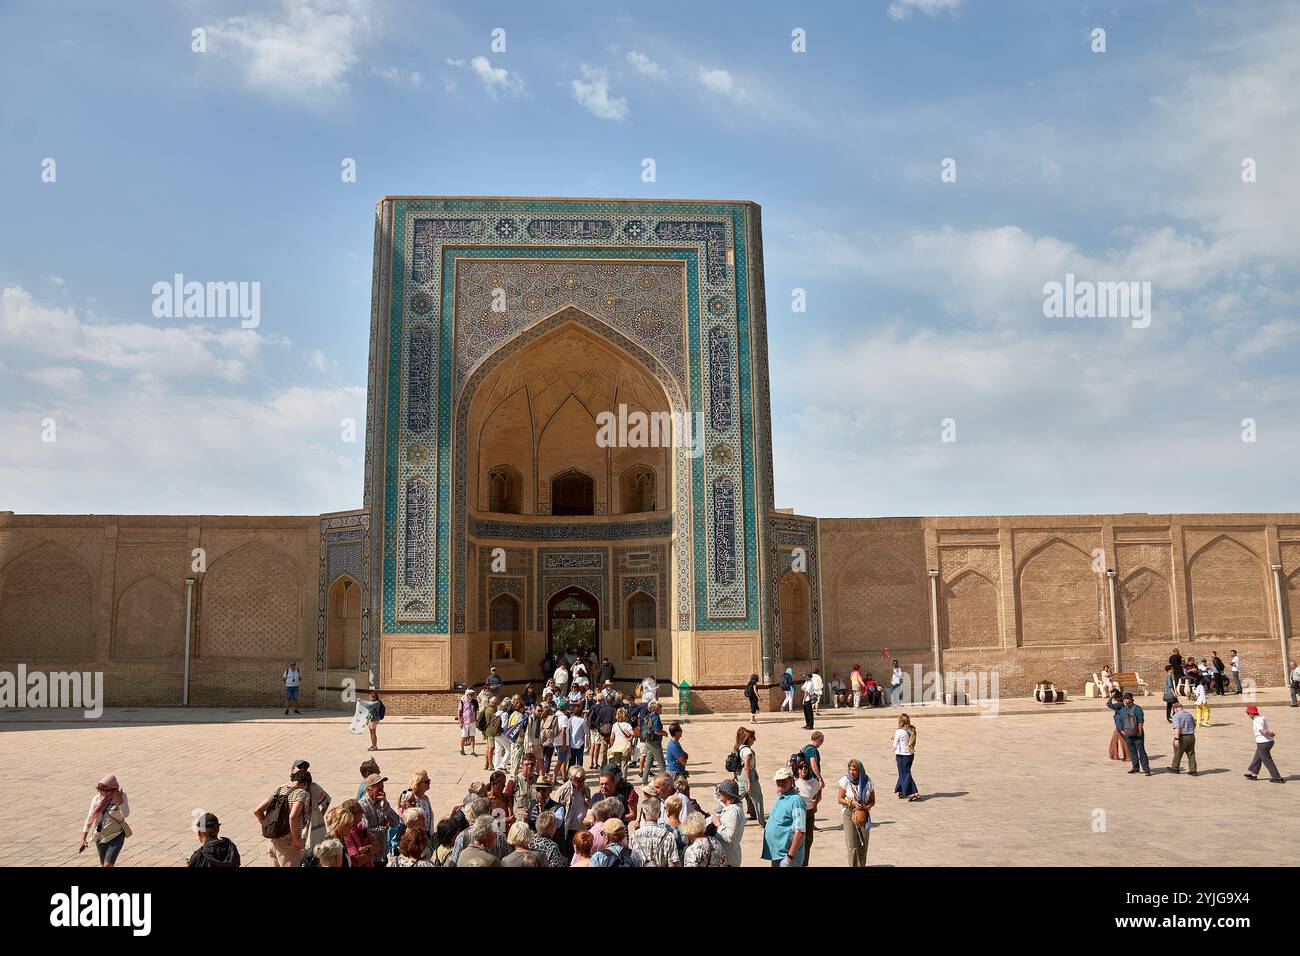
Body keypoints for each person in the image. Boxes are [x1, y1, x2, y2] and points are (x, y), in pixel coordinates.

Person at [254, 766, 309, 867]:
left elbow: (257, 810)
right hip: (288, 845)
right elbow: (293, 816)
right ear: (305, 784)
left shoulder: (280, 790)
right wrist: (296, 840)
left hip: (274, 842)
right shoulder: (301, 792)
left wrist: (269, 827)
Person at [81, 774, 130, 868]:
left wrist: (120, 801)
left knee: (107, 865)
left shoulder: (122, 796)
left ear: (114, 788)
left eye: (106, 790)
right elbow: (90, 818)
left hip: (116, 835)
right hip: (100, 836)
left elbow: (126, 814)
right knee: (104, 865)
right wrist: (83, 838)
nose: (103, 792)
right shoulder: (97, 799)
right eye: (100, 790)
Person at [761, 766, 806, 867]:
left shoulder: (796, 801)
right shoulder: (781, 796)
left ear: (791, 780)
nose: (780, 783)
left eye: (784, 780)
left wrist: (790, 857)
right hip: (777, 855)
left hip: (787, 857)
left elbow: (800, 831)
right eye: (778, 781)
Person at [356, 772, 401, 866]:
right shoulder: (362, 806)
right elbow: (366, 832)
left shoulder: (381, 802)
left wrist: (386, 808)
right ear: (369, 789)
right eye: (379, 788)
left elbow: (396, 822)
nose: (382, 791)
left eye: (383, 788)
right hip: (371, 858)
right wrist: (384, 828)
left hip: (383, 855)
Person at [838, 758, 874, 867]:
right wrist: (851, 802)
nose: (851, 772)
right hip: (849, 813)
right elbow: (840, 799)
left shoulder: (867, 782)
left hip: (863, 814)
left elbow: (872, 801)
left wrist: (866, 807)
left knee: (862, 844)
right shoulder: (845, 781)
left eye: (854, 770)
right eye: (850, 769)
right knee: (852, 845)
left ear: (860, 771)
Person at [546, 766, 590, 856]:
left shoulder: (585, 789)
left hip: (581, 828)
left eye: (583, 780)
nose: (581, 783)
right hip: (567, 829)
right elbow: (555, 809)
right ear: (571, 779)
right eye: (578, 781)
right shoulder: (563, 790)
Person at [291, 758, 332, 853]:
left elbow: (327, 801)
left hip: (310, 830)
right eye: (300, 767)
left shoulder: (313, 787)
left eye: (305, 767)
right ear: (292, 769)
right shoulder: (287, 787)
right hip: (293, 832)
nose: (303, 769)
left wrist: (319, 816)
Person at [629, 796, 680, 866]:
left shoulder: (634, 836)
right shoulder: (669, 836)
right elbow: (673, 864)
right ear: (659, 814)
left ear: (643, 815)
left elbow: (631, 862)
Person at [1243, 705, 1284, 782]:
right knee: (1257, 757)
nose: (1248, 715)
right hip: (1268, 741)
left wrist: (1270, 733)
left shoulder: (1256, 720)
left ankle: (1277, 777)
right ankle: (1253, 774)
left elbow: (1263, 732)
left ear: (1251, 713)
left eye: (1248, 714)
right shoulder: (1261, 717)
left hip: (1263, 742)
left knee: (1267, 760)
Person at [793, 756, 822, 866]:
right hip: (798, 814)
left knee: (808, 840)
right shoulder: (794, 782)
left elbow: (819, 789)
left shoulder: (813, 782)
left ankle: (804, 863)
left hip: (809, 813)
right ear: (797, 769)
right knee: (798, 838)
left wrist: (815, 804)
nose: (803, 769)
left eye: (805, 767)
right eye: (801, 767)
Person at [710, 779, 746, 867]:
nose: (719, 793)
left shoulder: (732, 813)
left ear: (727, 795)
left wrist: (718, 824)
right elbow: (720, 800)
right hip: (730, 855)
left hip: (729, 858)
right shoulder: (733, 806)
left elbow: (729, 837)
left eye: (721, 792)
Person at [734, 726, 765, 825]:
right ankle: (762, 822)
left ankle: (721, 809)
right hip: (747, 775)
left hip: (740, 775)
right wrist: (749, 781)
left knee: (736, 797)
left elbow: (737, 763)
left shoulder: (739, 747)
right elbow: (747, 767)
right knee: (758, 798)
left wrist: (735, 775)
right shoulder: (747, 751)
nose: (754, 740)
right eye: (752, 738)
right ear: (748, 738)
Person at [1117, 691, 1151, 776]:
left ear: (1132, 699)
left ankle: (1146, 769)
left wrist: (1139, 731)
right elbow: (1120, 721)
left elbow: (1140, 721)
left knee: (1141, 751)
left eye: (1127, 698)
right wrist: (1122, 731)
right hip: (1128, 733)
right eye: (1124, 698)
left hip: (1137, 733)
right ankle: (1135, 767)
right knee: (1132, 751)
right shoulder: (1122, 710)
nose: (1125, 700)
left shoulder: (1137, 708)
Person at [893, 713, 920, 800]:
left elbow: (895, 744)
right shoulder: (911, 729)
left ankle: (915, 793)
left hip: (902, 755)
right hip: (910, 754)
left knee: (905, 773)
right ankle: (901, 791)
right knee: (903, 772)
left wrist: (894, 742)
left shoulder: (899, 731)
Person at [640, 700, 667, 783]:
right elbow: (656, 731)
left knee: (648, 762)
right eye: (660, 708)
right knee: (662, 764)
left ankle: (644, 781)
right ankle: (663, 782)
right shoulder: (656, 717)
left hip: (648, 741)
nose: (661, 709)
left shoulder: (649, 715)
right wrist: (664, 733)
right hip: (654, 742)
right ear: (656, 708)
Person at [1169, 700, 1198, 775]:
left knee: (1178, 752)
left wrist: (1176, 739)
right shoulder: (1189, 714)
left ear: (1175, 709)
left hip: (1182, 737)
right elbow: (1194, 725)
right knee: (1191, 754)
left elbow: (1177, 728)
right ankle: (1193, 770)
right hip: (1191, 736)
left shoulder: (1176, 716)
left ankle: (1175, 768)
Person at [608, 706, 635, 778]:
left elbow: (612, 738)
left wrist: (612, 745)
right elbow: (633, 733)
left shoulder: (615, 725)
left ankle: (618, 779)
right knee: (624, 764)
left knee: (617, 764)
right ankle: (624, 780)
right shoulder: (627, 725)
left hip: (617, 745)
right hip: (625, 745)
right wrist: (630, 738)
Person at [1105, 689, 1130, 761]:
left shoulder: (1120, 704)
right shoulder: (1121, 702)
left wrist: (1111, 697)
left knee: (1123, 740)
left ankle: (1128, 756)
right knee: (1114, 739)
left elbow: (1109, 705)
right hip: (1119, 724)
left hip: (1120, 725)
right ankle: (1114, 755)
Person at [567, 702, 589, 770]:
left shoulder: (570, 719)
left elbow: (568, 730)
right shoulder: (582, 721)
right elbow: (586, 731)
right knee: (579, 760)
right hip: (580, 743)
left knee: (571, 760)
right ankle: (579, 773)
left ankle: (570, 772)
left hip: (571, 743)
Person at [458, 688, 478, 756]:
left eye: (473, 695)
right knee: (464, 737)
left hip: (472, 722)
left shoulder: (474, 702)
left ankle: (472, 751)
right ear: (467, 695)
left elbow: (475, 711)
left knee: (472, 736)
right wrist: (460, 722)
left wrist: (475, 720)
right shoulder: (462, 702)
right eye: (471, 695)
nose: (472, 696)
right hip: (465, 722)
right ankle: (462, 749)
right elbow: (459, 712)